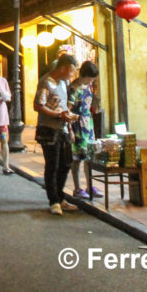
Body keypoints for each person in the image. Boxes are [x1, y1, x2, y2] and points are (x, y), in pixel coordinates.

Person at [34, 53, 80, 215]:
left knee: (66, 163)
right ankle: (53, 200)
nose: (71, 75)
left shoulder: (64, 83)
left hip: (63, 129)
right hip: (48, 129)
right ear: (62, 68)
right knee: (53, 164)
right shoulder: (47, 82)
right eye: (70, 71)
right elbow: (39, 106)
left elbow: (64, 106)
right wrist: (58, 115)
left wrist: (69, 125)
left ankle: (60, 197)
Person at [69, 60, 102, 199]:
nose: (93, 80)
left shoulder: (88, 87)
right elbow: (67, 110)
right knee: (77, 158)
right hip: (77, 126)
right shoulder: (74, 88)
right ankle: (77, 188)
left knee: (89, 158)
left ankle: (89, 186)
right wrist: (70, 128)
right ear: (86, 75)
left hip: (88, 126)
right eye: (92, 77)